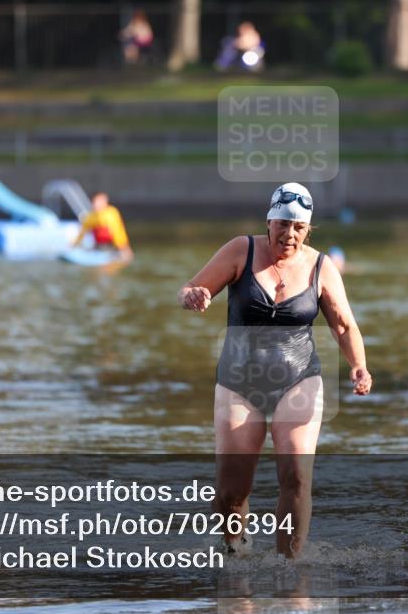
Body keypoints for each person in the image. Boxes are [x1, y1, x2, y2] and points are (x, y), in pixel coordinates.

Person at [177, 182, 372, 558]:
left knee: (296, 476)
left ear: (309, 230)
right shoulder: (241, 250)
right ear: (269, 221)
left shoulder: (320, 266)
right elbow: (191, 288)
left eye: (299, 228)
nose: (290, 234)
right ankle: (236, 557)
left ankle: (291, 567)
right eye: (283, 224)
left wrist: (359, 367)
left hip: (298, 378)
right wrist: (192, 296)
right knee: (232, 490)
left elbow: (345, 326)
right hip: (239, 381)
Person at [75, 192, 133, 262]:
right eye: (95, 202)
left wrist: (123, 247)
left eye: (99, 202)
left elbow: (117, 232)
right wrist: (75, 244)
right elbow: (82, 232)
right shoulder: (91, 217)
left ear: (105, 202)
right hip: (99, 246)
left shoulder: (111, 213)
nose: (96, 204)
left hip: (113, 246)